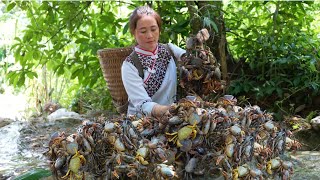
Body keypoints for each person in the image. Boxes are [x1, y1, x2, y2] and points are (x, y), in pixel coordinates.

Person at [121, 5, 186, 119]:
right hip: (141, 122)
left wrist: (198, 41)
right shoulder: (130, 65)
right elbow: (142, 104)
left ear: (159, 30)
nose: (149, 36)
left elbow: (192, 59)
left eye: (153, 29)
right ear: (133, 32)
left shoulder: (170, 50)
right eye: (143, 31)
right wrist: (168, 110)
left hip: (171, 116)